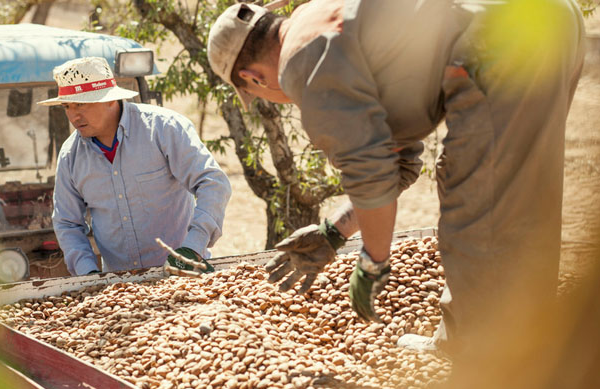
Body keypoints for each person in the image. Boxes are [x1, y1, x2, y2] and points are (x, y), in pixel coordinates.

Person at [207, 0, 585, 356]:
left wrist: (373, 262)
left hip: (499, 43)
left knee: (478, 221)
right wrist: (334, 232)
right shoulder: (322, 15)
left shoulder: (300, 61)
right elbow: (393, 162)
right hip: (546, 20)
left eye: (256, 94)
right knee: (514, 199)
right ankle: (481, 351)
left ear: (251, 77)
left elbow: (370, 175)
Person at [39, 57, 231, 276]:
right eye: (67, 106)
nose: (73, 115)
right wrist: (89, 275)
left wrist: (192, 248)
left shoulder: (163, 129)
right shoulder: (71, 156)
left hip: (185, 274)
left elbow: (213, 183)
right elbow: (67, 223)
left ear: (109, 100)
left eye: (81, 104)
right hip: (118, 286)